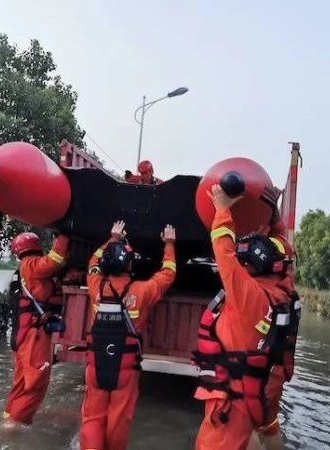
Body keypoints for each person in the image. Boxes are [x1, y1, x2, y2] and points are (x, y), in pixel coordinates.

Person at [192, 184, 298, 450]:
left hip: (234, 396)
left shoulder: (250, 297)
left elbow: (224, 253)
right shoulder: (284, 289)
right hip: (264, 385)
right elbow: (282, 249)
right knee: (265, 428)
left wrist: (223, 210)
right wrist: (273, 216)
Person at [80, 220, 176, 450]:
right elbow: (168, 274)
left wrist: (112, 239)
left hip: (95, 367)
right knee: (118, 420)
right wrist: (170, 244)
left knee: (92, 418)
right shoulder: (141, 291)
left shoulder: (95, 286)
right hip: (125, 370)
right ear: (130, 265)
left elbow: (92, 262)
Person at [3, 231, 70, 426]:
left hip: (25, 334)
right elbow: (52, 261)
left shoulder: (24, 269)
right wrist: (64, 236)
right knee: (35, 382)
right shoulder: (32, 265)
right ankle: (16, 426)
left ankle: (8, 419)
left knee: (22, 382)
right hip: (35, 335)